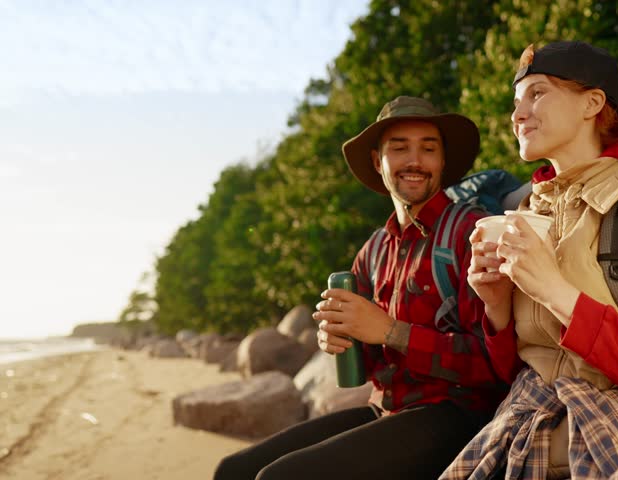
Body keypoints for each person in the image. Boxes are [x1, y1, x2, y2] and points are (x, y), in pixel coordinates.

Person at [441, 41, 618, 479]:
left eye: (538, 93)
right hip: (529, 408)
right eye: (516, 103)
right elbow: (517, 370)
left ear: (592, 102)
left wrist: (552, 289)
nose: (518, 115)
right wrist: (495, 306)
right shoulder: (530, 210)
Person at [213, 96, 520, 480]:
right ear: (378, 162)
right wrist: (342, 338)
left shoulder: (470, 231)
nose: (415, 160)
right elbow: (368, 369)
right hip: (387, 407)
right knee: (234, 470)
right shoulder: (374, 250)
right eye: (400, 147)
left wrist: (392, 331)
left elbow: (496, 368)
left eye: (428, 148)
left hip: (458, 414)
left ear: (443, 162)